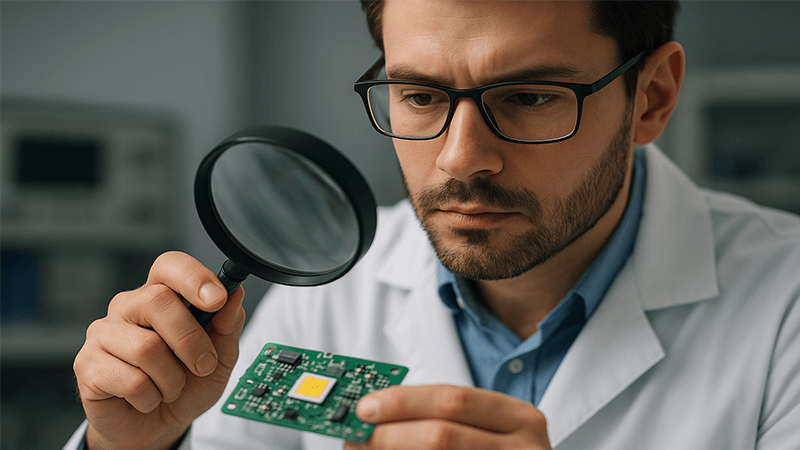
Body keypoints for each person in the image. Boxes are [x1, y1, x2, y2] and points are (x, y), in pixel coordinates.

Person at [64, 1, 800, 449]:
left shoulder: (785, 305)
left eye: (531, 97)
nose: (460, 158)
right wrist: (133, 446)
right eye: (418, 95)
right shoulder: (329, 296)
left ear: (652, 97)